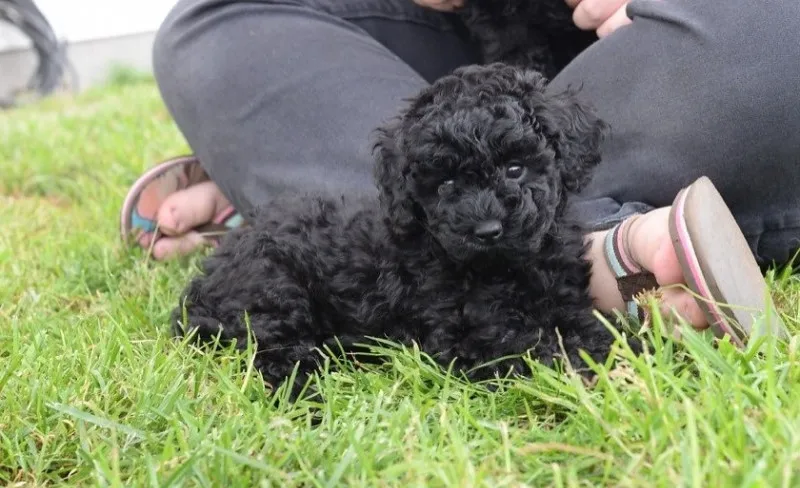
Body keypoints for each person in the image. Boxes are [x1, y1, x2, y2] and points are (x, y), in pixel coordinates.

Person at [121, 0, 800, 334]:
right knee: (217, 19)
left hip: (667, 37)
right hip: (469, 52)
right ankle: (565, 249)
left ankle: (294, 164)